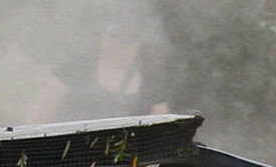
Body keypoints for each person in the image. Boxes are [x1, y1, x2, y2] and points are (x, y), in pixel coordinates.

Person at [24, 22, 170, 123]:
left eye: (128, 42)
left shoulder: (151, 84)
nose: (119, 47)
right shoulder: (71, 73)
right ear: (102, 38)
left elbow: (162, 132)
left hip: (131, 159)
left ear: (138, 45)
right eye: (114, 39)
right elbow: (36, 121)